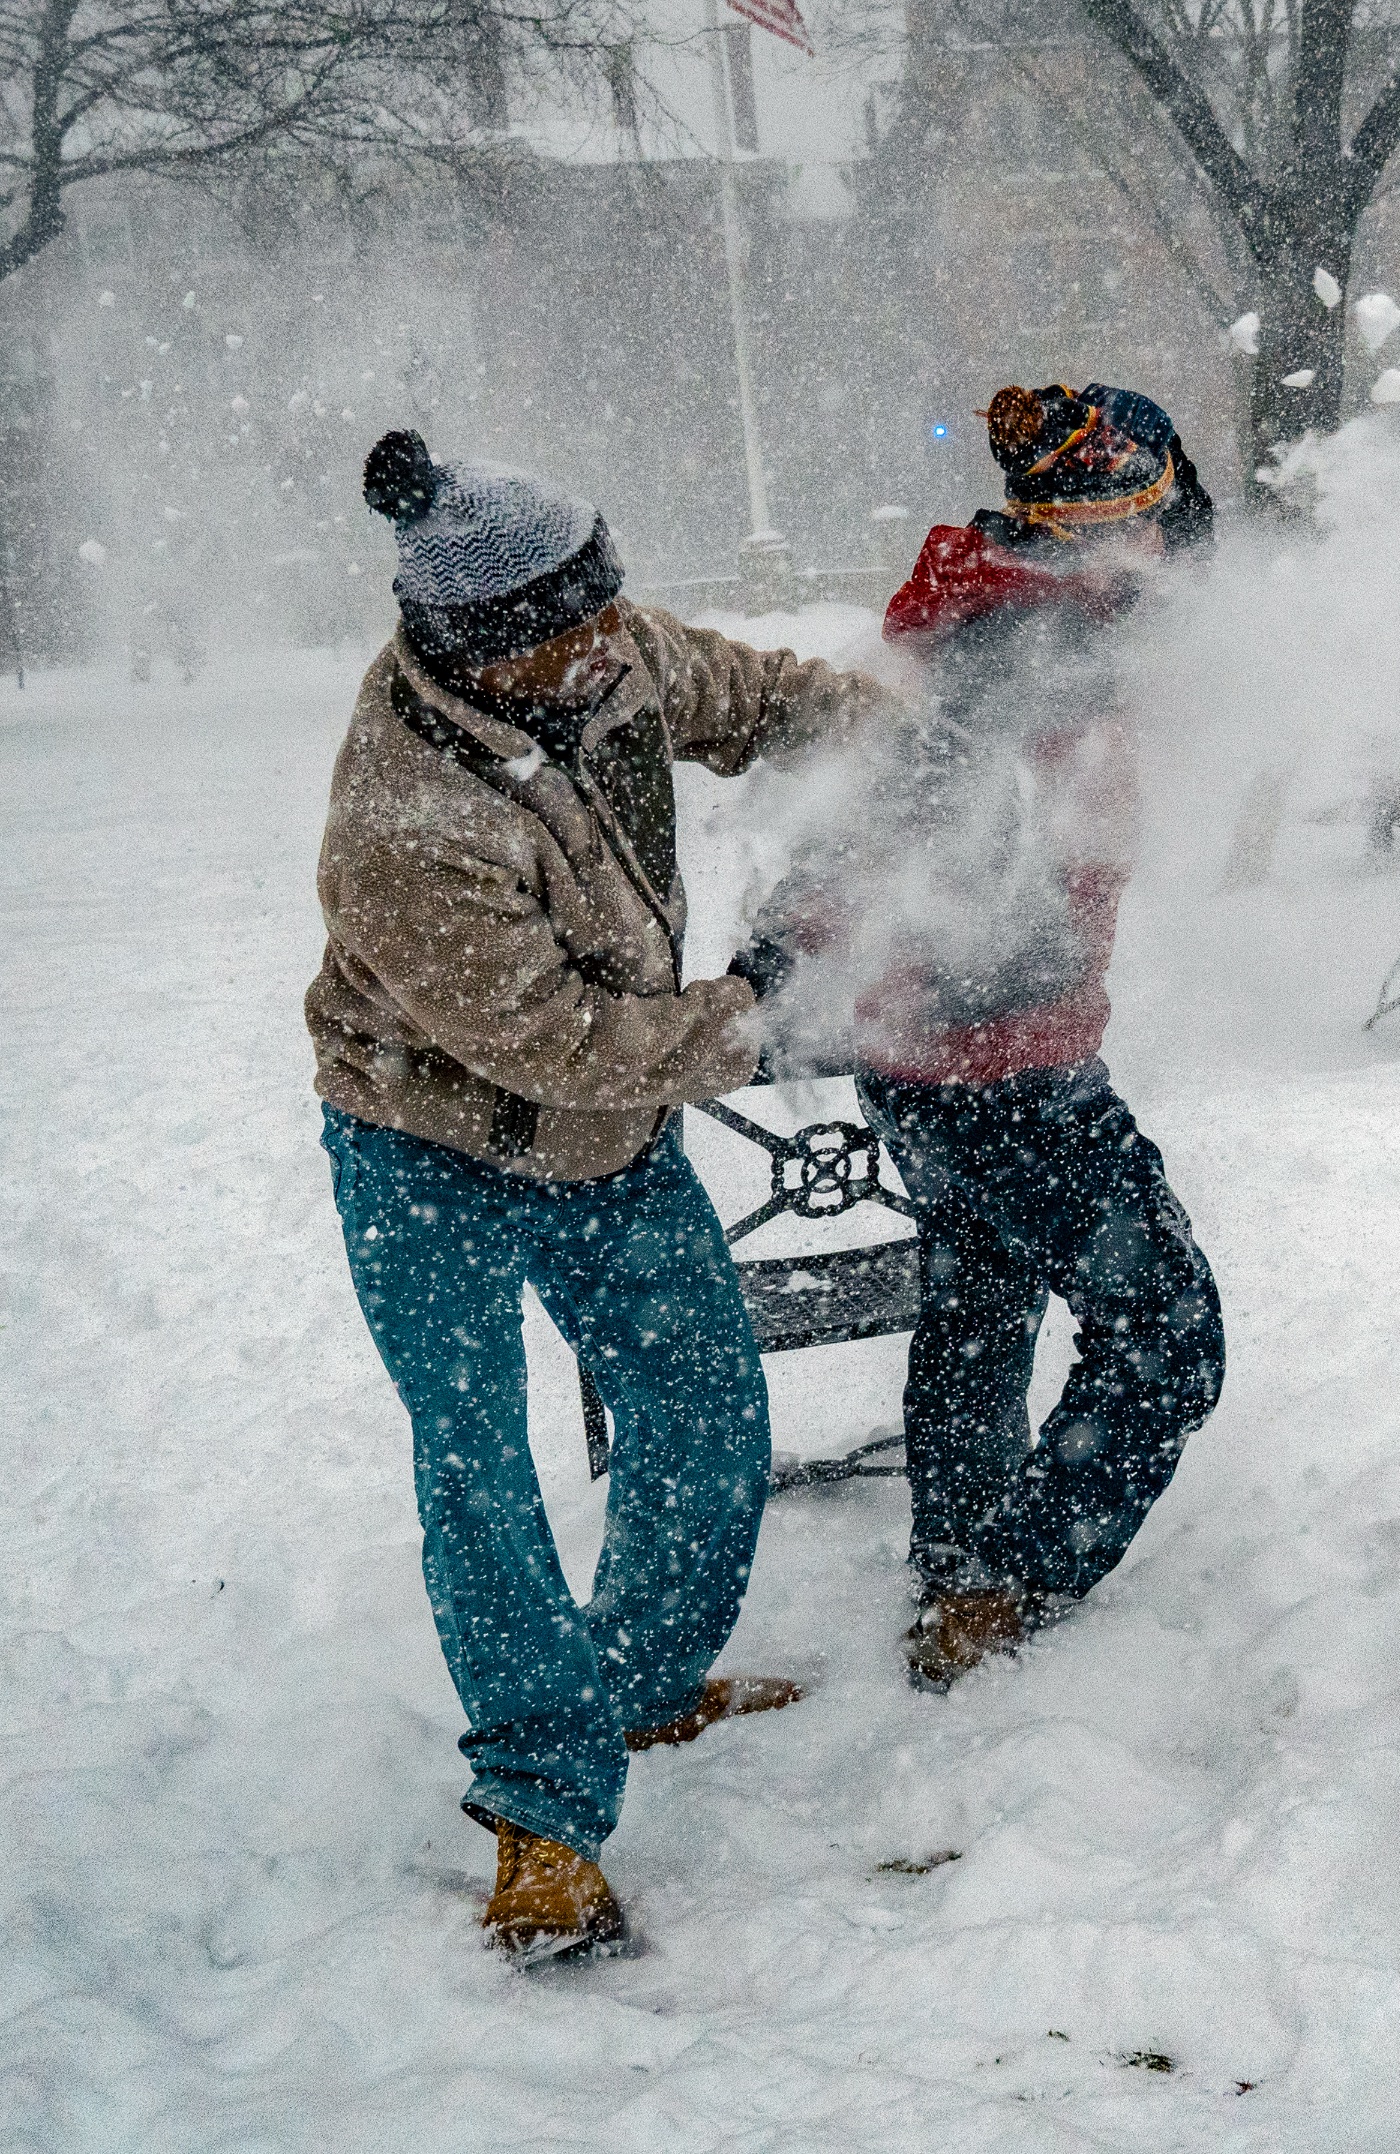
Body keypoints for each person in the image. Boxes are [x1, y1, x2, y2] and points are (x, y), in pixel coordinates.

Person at [311, 430, 898, 1963]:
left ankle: (643, 1679)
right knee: (479, 1466)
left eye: (608, 607)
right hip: (426, 1148)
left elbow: (758, 696)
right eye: (571, 629)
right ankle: (542, 1816)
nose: (607, 643)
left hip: (603, 1145)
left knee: (702, 1393)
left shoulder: (609, 649)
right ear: (487, 649)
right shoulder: (406, 820)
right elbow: (573, 1045)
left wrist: (895, 737)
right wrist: (754, 1007)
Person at [741, 382, 1224, 1691]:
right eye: (1169, 508)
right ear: (1119, 515)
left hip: (939, 1062)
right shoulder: (1017, 642)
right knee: (1170, 1332)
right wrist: (802, 958)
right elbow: (885, 815)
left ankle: (960, 1567)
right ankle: (1007, 1576)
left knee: (981, 1295)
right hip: (1002, 1061)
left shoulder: (1002, 605)